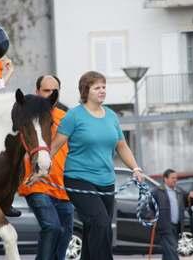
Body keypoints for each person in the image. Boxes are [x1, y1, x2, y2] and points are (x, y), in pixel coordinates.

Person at [50, 71, 143, 260]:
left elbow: (122, 146)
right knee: (101, 222)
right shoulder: (74, 116)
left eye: (103, 87)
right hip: (78, 179)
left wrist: (135, 168)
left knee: (96, 227)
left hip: (106, 181)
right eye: (97, 87)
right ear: (86, 90)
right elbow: (55, 146)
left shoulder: (111, 116)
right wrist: (39, 169)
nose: (102, 91)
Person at [18, 75, 74, 260]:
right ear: (37, 92)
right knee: (51, 227)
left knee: (65, 234)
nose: (50, 94)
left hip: (63, 188)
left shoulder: (66, 118)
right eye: (46, 90)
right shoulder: (27, 114)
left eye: (54, 91)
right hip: (37, 184)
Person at [151, 169, 193, 260]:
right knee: (172, 249)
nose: (175, 180)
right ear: (165, 179)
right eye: (172, 178)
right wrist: (151, 218)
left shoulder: (179, 192)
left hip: (177, 226)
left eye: (176, 178)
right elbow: (148, 206)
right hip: (164, 226)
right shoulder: (157, 192)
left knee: (169, 251)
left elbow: (189, 201)